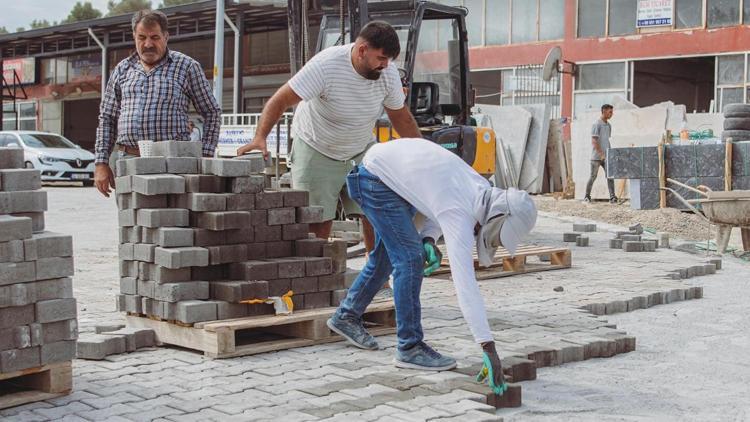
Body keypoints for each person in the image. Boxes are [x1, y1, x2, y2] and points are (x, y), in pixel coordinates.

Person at [326, 138, 537, 394]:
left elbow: (433, 197)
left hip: (385, 174)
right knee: (409, 259)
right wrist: (487, 347)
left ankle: (346, 316)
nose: (492, 240)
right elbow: (465, 285)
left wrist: (428, 237)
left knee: (386, 256)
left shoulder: (481, 190)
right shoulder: (461, 211)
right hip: (375, 180)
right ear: (496, 218)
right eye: (496, 235)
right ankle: (409, 347)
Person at [236, 21, 422, 251]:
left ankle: (378, 282)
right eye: (381, 58)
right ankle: (316, 279)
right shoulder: (325, 66)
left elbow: (401, 117)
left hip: (359, 148)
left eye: (389, 60)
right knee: (318, 222)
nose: (385, 65)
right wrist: (260, 137)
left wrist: (422, 153)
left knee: (375, 215)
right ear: (362, 50)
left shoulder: (388, 74)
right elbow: (280, 99)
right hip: (317, 147)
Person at [93, 9, 221, 197]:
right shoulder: (122, 70)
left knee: (171, 221)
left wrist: (207, 155)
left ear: (166, 37)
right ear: (134, 37)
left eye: (155, 37)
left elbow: (212, 112)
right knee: (132, 222)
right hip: (128, 159)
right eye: (142, 37)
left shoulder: (186, 67)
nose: (148, 44)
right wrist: (101, 163)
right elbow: (107, 118)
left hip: (172, 163)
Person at [584, 104, 617, 203]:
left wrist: (609, 153)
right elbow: (594, 141)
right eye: (610, 112)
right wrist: (601, 154)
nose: (612, 114)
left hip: (606, 156)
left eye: (612, 112)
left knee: (610, 176)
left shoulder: (608, 125)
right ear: (604, 111)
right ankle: (586, 196)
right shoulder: (597, 124)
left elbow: (606, 140)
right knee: (593, 176)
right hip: (596, 157)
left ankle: (612, 197)